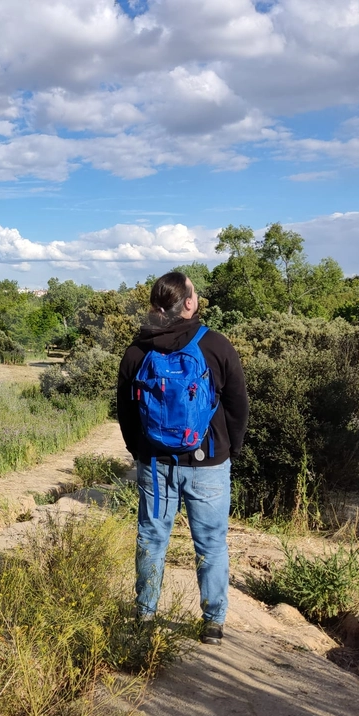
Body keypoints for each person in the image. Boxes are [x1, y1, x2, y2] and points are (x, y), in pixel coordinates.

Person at [116, 272, 248, 645]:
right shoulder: (216, 346)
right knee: (210, 543)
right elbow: (238, 405)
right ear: (188, 303)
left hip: (155, 465)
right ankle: (212, 623)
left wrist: (139, 451)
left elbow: (125, 412)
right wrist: (229, 450)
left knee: (151, 539)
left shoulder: (137, 351)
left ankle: (145, 614)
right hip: (208, 463)